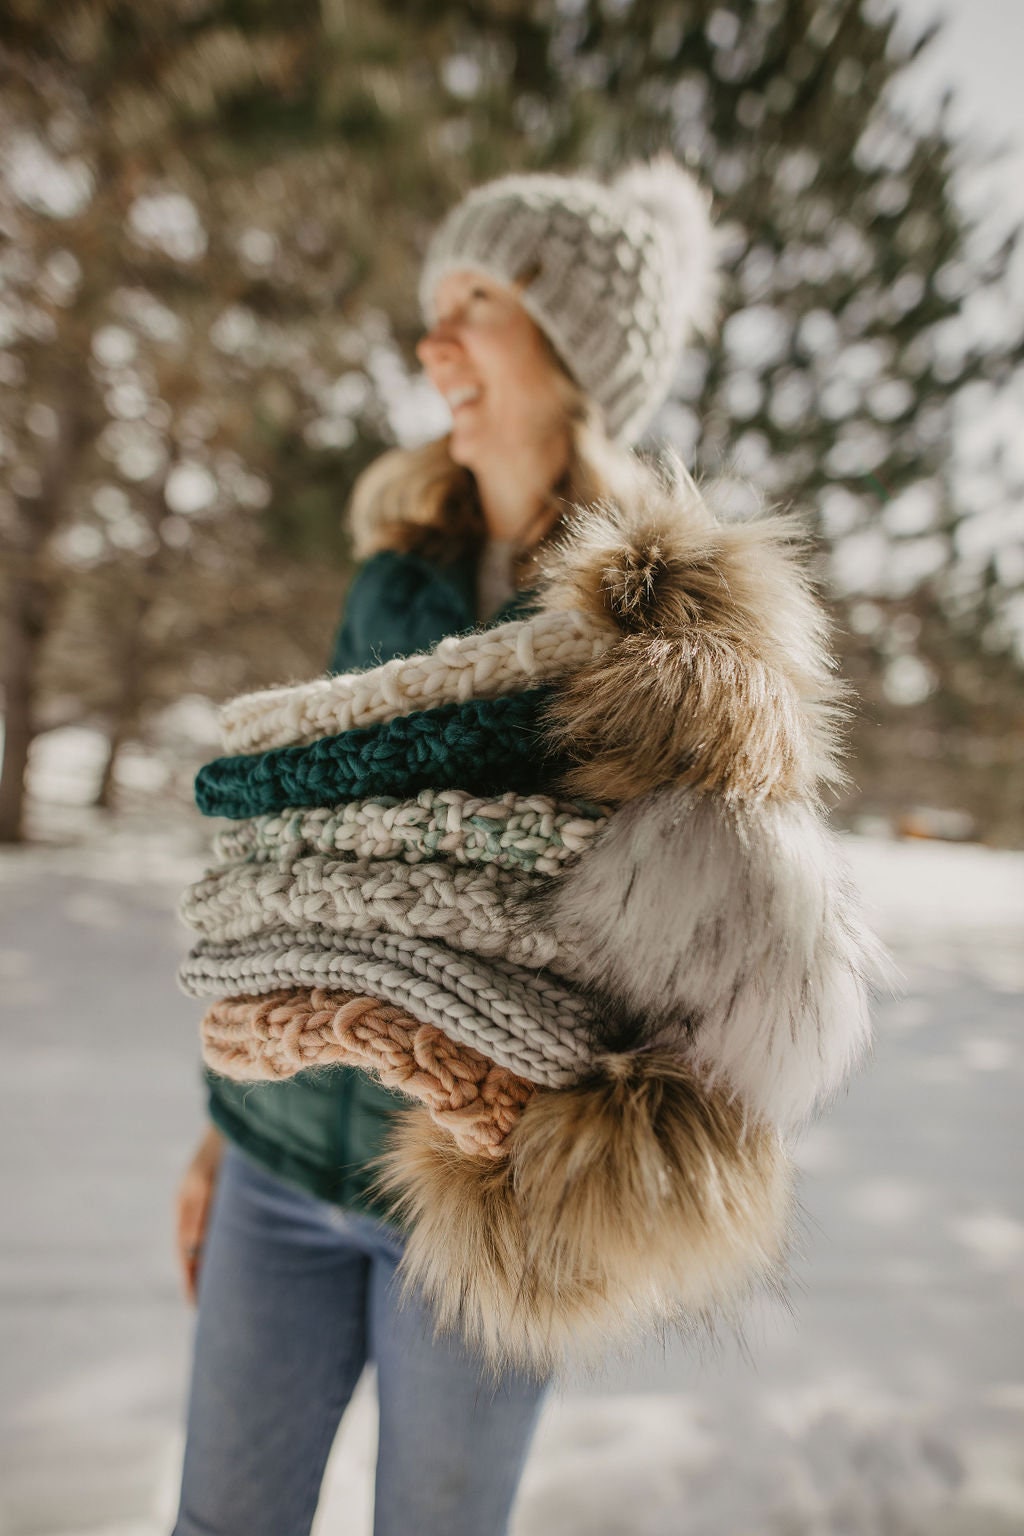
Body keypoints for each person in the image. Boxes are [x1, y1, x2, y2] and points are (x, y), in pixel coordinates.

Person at [172, 157, 718, 1536]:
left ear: (576, 351)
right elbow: (304, 869)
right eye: (436, 307)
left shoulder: (650, 630)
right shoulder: (392, 578)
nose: (435, 342)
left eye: (479, 301)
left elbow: (659, 938)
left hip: (483, 1201)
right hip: (283, 1159)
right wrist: (218, 1135)